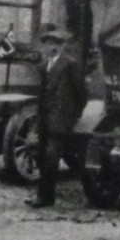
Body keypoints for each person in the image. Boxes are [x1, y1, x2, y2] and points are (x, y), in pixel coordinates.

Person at [29, 24, 87, 208]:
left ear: (62, 46)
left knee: (51, 157)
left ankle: (44, 198)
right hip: (46, 119)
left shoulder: (70, 65)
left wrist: (72, 115)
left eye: (55, 43)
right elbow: (41, 97)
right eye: (47, 43)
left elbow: (81, 94)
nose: (51, 47)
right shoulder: (44, 66)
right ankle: (46, 197)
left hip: (61, 120)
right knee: (41, 157)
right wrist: (37, 123)